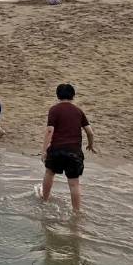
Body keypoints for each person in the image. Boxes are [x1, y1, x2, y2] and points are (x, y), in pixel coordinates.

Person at [36, 83, 95, 211]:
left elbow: (49, 131)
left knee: (49, 173)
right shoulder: (79, 111)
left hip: (57, 149)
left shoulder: (54, 110)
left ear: (58, 95)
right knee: (74, 183)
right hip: (74, 151)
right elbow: (90, 132)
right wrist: (90, 144)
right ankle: (76, 212)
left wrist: (44, 151)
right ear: (73, 96)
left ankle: (45, 200)